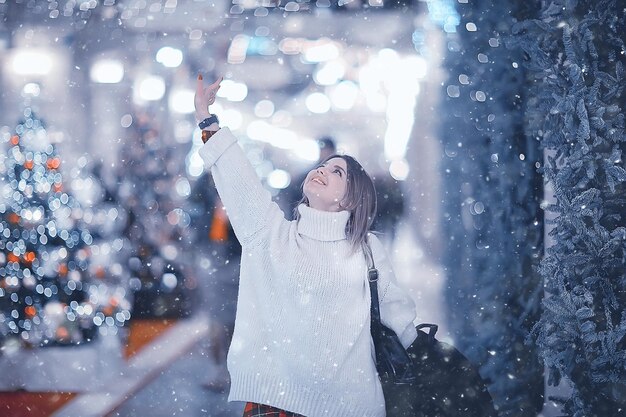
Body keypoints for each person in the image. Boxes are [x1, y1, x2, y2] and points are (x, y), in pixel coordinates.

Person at [193, 74, 418, 417]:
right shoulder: (270, 234)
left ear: (350, 200)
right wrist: (206, 118)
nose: (324, 170)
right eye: (325, 165)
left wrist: (428, 367)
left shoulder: (367, 250)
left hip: (350, 407)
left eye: (338, 172)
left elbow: (398, 320)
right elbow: (239, 179)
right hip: (276, 404)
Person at [280, 136, 337, 220]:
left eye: (325, 150)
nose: (323, 153)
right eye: (322, 150)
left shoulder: (331, 174)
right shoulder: (312, 171)